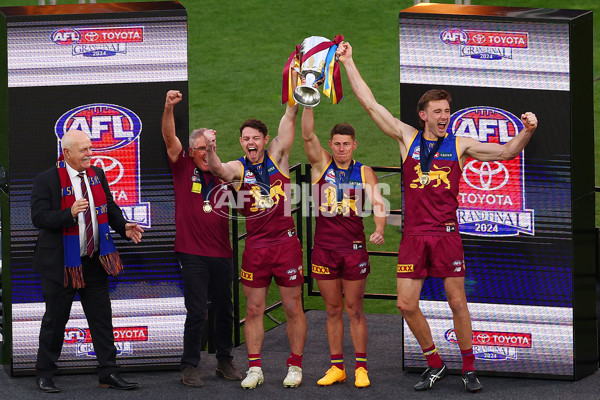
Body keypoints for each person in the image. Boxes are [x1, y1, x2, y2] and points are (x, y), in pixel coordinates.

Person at [337, 41, 538, 393]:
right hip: (414, 236)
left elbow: (507, 152)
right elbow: (370, 104)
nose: (445, 115)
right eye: (439, 111)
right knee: (404, 303)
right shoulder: (407, 139)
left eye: (448, 110)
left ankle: (469, 367)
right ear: (424, 115)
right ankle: (435, 363)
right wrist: (349, 61)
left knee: (457, 301)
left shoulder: (460, 144)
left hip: (446, 235)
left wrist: (528, 131)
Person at [31, 129, 144, 393]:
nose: (90, 154)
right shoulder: (46, 180)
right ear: (67, 153)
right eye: (84, 150)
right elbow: (38, 218)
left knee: (102, 319)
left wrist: (123, 226)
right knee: (55, 320)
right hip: (61, 264)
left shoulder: (97, 175)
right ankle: (45, 372)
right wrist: (67, 214)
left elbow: (110, 208)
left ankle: (109, 373)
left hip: (94, 260)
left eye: (91, 148)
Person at [205, 103, 306, 390]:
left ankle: (295, 365)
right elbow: (220, 171)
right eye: (246, 138)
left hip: (285, 244)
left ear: (265, 139)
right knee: (253, 309)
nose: (251, 142)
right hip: (257, 247)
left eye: (255, 138)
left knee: (292, 307)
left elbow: (289, 117)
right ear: (241, 142)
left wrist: (295, 96)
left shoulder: (279, 157)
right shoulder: (239, 166)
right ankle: (255, 368)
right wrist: (211, 149)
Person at [161, 90, 242, 387]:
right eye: (202, 148)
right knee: (197, 311)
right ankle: (190, 365)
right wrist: (169, 107)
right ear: (191, 151)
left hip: (222, 253)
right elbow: (170, 138)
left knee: (225, 309)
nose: (207, 153)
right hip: (192, 252)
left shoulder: (225, 172)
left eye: (211, 147)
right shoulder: (182, 167)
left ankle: (224, 360)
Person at [301, 106, 386, 388]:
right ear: (330, 145)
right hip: (324, 249)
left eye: (346, 144)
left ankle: (361, 367)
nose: (341, 149)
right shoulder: (320, 166)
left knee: (355, 309)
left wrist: (380, 228)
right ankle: (337, 367)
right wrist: (308, 103)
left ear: (354, 145)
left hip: (353, 248)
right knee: (333, 309)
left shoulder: (364, 171)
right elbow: (307, 134)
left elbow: (377, 203)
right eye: (336, 144)